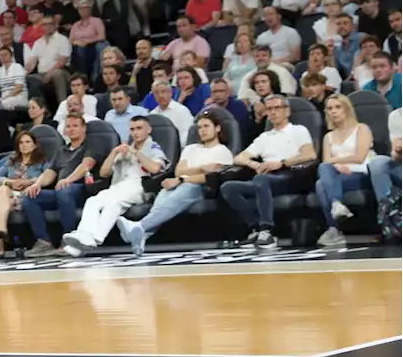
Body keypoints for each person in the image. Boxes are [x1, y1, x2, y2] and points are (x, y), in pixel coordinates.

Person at [118, 110, 234, 256]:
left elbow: (211, 177)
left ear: (217, 128)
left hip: (202, 188)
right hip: (180, 182)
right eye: (199, 127)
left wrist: (184, 178)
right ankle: (142, 235)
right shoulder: (191, 148)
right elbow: (179, 170)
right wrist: (200, 168)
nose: (202, 130)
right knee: (165, 191)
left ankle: (139, 225)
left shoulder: (223, 152)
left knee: (187, 187)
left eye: (206, 126)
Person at [220, 95, 317, 251]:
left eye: (277, 108)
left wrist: (281, 163)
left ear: (287, 111)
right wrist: (255, 164)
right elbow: (238, 158)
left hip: (289, 175)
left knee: (261, 180)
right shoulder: (264, 137)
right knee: (228, 187)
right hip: (264, 178)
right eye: (269, 109)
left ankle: (267, 231)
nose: (273, 112)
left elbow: (309, 154)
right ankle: (255, 229)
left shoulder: (298, 130)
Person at [63, 116, 167, 256]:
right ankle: (90, 239)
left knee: (112, 202)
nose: (135, 132)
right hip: (119, 187)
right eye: (132, 129)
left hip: (139, 185)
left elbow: (155, 168)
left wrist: (136, 153)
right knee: (98, 202)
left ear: (148, 130)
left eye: (139, 128)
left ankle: (84, 237)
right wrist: (114, 152)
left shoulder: (152, 147)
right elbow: (104, 173)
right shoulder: (125, 150)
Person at [21, 114, 98, 257]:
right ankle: (44, 242)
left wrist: (68, 180)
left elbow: (87, 164)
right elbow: (50, 172)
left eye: (75, 126)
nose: (71, 129)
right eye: (68, 126)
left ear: (84, 129)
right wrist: (37, 184)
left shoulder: (90, 146)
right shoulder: (61, 150)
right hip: (60, 191)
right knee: (30, 197)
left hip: (80, 189)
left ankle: (68, 241)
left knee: (63, 191)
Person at [313, 94, 381, 248]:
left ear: (347, 109)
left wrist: (335, 162)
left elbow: (359, 157)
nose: (333, 111)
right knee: (320, 182)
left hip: (362, 173)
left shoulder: (362, 128)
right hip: (339, 177)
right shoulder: (328, 137)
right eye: (330, 108)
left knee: (322, 182)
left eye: (338, 107)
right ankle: (336, 205)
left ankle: (334, 229)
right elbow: (325, 163)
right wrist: (335, 166)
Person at [0, 130, 49, 257]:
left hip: (28, 196)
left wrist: (27, 182)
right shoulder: (11, 161)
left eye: (27, 142)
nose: (24, 145)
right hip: (10, 197)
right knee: (3, 189)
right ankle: (2, 230)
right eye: (21, 142)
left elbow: (47, 177)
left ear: (35, 145)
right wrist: (10, 182)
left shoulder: (42, 161)